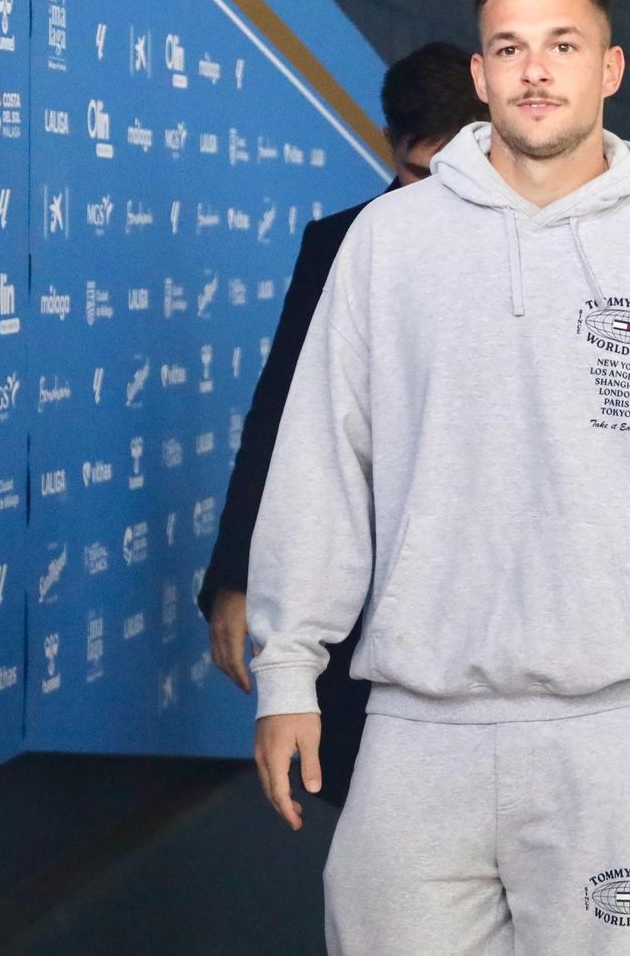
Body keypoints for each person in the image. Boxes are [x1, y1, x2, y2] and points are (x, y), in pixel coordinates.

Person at [246, 0, 630, 956]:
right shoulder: (387, 244)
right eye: (510, 47)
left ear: (611, 68)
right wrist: (288, 668)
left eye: (563, 45)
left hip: (619, 732)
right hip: (419, 726)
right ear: (479, 74)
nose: (535, 72)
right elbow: (321, 465)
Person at [198, 41, 485, 805]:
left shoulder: (534, 245)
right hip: (366, 592)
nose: (425, 195)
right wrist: (235, 576)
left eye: (446, 175)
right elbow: (279, 414)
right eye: (413, 174)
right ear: (390, 147)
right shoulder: (342, 243)